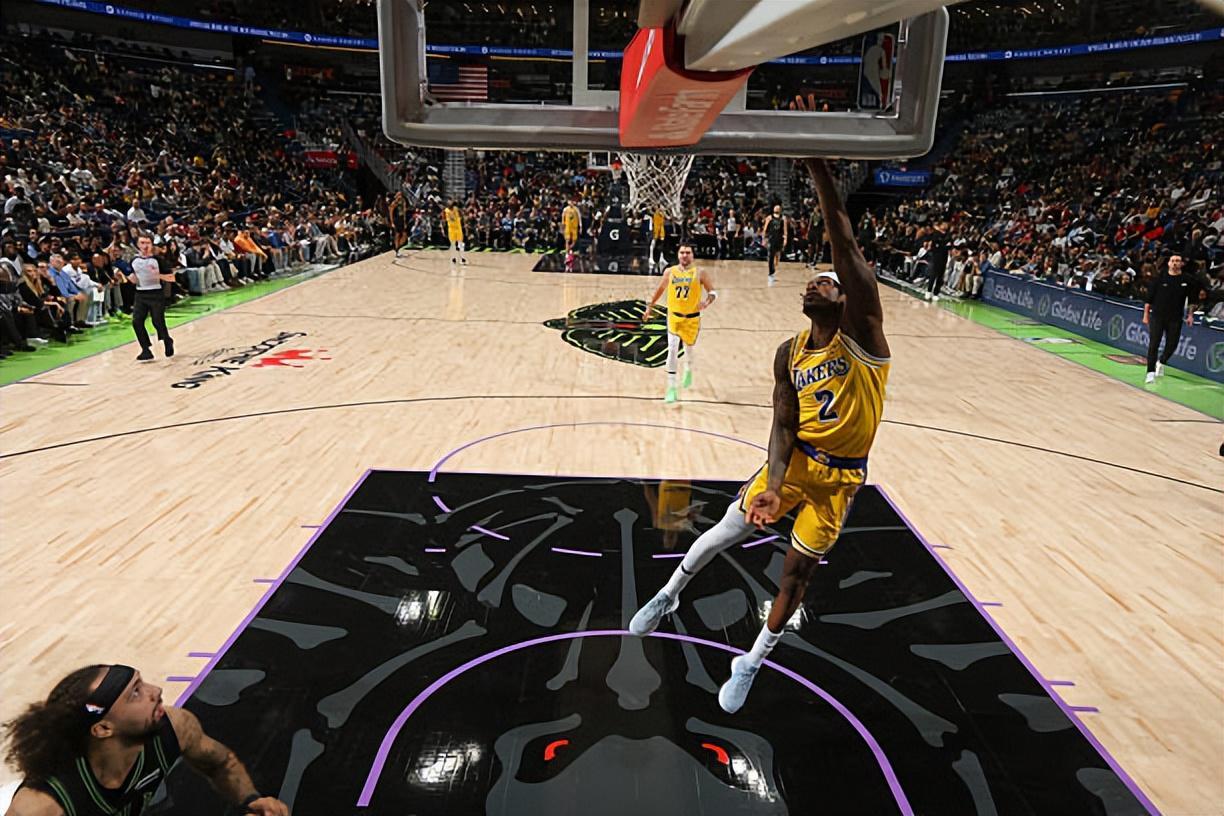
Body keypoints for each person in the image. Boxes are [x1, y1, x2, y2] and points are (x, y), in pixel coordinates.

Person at [629, 159, 890, 715]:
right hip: (796, 462)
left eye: (826, 281)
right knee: (728, 528)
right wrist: (773, 484)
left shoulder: (865, 337)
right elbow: (783, 423)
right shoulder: (788, 353)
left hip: (841, 479)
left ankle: (749, 662)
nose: (814, 283)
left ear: (848, 299)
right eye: (811, 281)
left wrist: (818, 170)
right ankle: (668, 594)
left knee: (795, 575)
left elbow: (844, 242)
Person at [2, 664, 289, 815]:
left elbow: (221, 763)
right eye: (135, 693)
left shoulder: (175, 726)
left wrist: (251, 800)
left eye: (141, 682)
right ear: (103, 729)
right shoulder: (41, 806)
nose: (156, 691)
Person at [643, 243, 717, 404]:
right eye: (682, 252)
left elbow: (713, 292)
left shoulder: (700, 272)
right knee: (672, 350)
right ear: (678, 255)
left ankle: (688, 368)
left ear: (692, 255)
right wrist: (649, 308)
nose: (684, 255)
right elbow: (659, 290)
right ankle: (671, 388)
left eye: (688, 252)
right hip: (674, 317)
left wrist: (706, 302)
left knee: (688, 350)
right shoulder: (670, 272)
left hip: (692, 318)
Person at [1143, 253, 1197, 384]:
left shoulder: (1187, 280)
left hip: (1175, 318)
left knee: (1172, 344)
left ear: (1181, 264)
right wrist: (1146, 315)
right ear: (1168, 263)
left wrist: (1190, 315)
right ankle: (1150, 373)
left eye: (1177, 261)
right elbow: (1149, 299)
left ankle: (1161, 361)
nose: (1174, 263)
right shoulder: (1159, 278)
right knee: (1154, 344)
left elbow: (1192, 300)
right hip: (1157, 316)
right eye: (1172, 261)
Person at [129, 235, 175, 361]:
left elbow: (172, 278)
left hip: (156, 293)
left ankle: (167, 340)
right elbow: (132, 277)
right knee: (137, 321)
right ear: (138, 245)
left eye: (148, 243)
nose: (145, 246)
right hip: (140, 294)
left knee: (157, 321)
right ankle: (145, 349)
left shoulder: (158, 260)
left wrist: (158, 275)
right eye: (142, 243)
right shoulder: (134, 260)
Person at [763, 205, 788, 285]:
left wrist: (785, 238)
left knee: (777, 256)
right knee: (770, 256)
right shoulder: (769, 218)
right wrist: (764, 239)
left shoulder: (783, 218)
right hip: (771, 239)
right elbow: (765, 229)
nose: (777, 209)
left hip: (779, 239)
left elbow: (785, 229)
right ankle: (771, 273)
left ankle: (774, 268)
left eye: (778, 208)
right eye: (775, 208)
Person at [443, 201, 467, 267]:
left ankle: (462, 258)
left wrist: (462, 218)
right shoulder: (446, 211)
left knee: (460, 244)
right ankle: (453, 258)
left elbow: (462, 215)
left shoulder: (456, 209)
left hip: (458, 229)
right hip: (451, 229)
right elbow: (444, 220)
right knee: (453, 244)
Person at [561, 199, 582, 268]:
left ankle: (569, 250)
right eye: (570, 201)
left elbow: (579, 218)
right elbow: (563, 218)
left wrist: (580, 226)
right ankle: (567, 254)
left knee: (574, 241)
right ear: (568, 202)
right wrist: (562, 227)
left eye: (572, 201)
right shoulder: (565, 209)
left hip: (574, 227)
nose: (571, 203)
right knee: (567, 240)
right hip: (568, 227)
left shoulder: (576, 209)